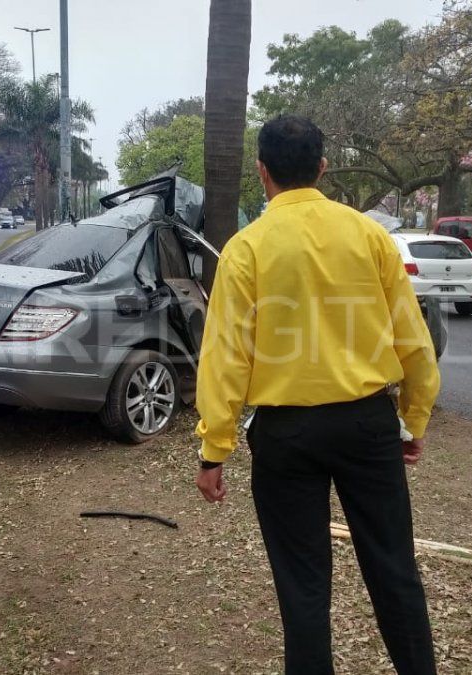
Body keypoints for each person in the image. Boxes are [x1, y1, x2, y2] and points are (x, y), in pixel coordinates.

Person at [194, 115, 441, 675]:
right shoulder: (370, 237)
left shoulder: (246, 249)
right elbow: (412, 338)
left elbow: (226, 357)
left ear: (262, 171)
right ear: (323, 168)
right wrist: (413, 417)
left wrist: (216, 447)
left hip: (287, 436)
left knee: (303, 588)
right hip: (367, 425)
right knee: (395, 571)